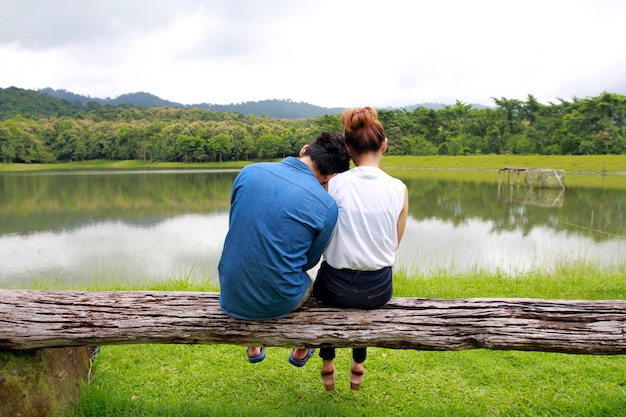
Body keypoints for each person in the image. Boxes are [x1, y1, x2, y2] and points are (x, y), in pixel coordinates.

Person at [218, 131, 350, 366]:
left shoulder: (249, 172)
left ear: (304, 150)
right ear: (331, 175)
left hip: (231, 292)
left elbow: (238, 229)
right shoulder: (326, 205)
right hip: (280, 299)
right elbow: (308, 262)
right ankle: (301, 347)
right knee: (305, 282)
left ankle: (254, 343)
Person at [312, 106, 409, 391]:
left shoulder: (334, 183)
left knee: (326, 290)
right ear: (384, 145)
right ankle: (358, 363)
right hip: (378, 291)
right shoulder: (399, 188)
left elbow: (324, 233)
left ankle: (327, 360)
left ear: (347, 148)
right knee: (364, 297)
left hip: (334, 289)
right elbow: (394, 244)